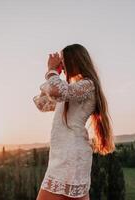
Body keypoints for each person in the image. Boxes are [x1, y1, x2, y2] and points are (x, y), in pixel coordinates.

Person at [33, 44, 115, 200]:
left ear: (74, 60)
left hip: (71, 154)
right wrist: (53, 73)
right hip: (62, 154)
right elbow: (42, 104)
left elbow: (59, 91)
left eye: (63, 61)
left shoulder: (88, 85)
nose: (61, 65)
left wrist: (51, 71)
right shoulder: (71, 91)